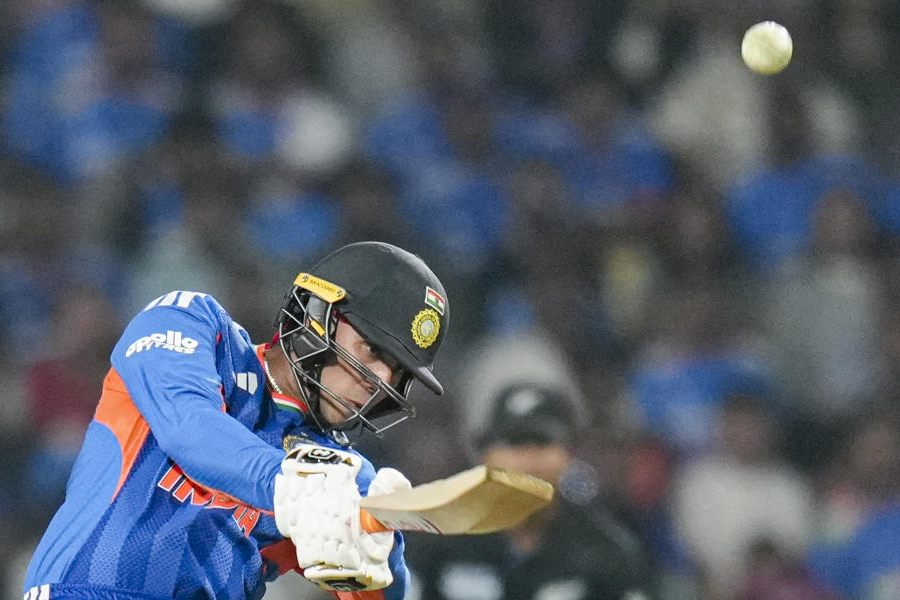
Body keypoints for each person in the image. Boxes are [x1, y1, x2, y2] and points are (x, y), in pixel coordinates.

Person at [23, 241, 450, 600]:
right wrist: (293, 487)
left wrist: (380, 554)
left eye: (397, 371)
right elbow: (188, 427)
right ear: (319, 313)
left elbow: (379, 589)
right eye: (372, 350)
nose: (380, 381)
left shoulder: (341, 473)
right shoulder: (191, 321)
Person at [405, 381, 655, 600]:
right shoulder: (436, 540)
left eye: (542, 443)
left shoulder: (605, 551)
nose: (528, 461)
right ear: (484, 457)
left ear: (569, 455)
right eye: (514, 444)